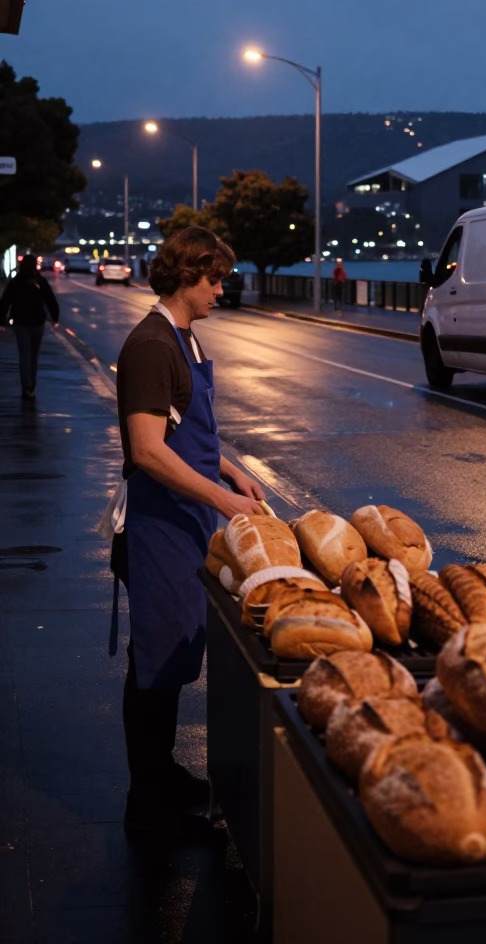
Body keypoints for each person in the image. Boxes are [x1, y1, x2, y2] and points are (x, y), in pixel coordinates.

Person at [112, 226, 265, 839]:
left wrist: (232, 469)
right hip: (160, 526)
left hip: (189, 518)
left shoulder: (186, 339)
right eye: (216, 279)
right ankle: (145, 803)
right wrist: (224, 500)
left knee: (177, 656)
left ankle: (164, 775)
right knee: (155, 661)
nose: (222, 290)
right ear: (186, 276)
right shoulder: (152, 346)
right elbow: (148, 451)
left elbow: (190, 432)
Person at [0, 254, 60, 400]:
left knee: (24, 354)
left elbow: (5, 301)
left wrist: (2, 321)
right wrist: (55, 318)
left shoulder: (16, 282)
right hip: (38, 322)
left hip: (20, 322)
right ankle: (31, 385)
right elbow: (50, 300)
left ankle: (26, 387)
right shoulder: (40, 280)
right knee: (34, 355)